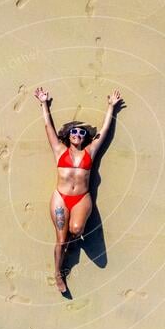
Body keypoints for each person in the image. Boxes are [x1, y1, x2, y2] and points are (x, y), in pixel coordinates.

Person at [34, 86, 123, 292]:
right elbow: (48, 127)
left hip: (81, 198)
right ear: (68, 135)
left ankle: (74, 238)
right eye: (74, 131)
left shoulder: (90, 152)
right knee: (61, 239)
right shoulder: (59, 150)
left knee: (76, 230)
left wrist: (111, 108)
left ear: (85, 137)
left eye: (81, 132)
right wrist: (44, 103)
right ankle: (58, 273)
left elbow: (104, 132)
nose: (77, 134)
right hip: (61, 198)